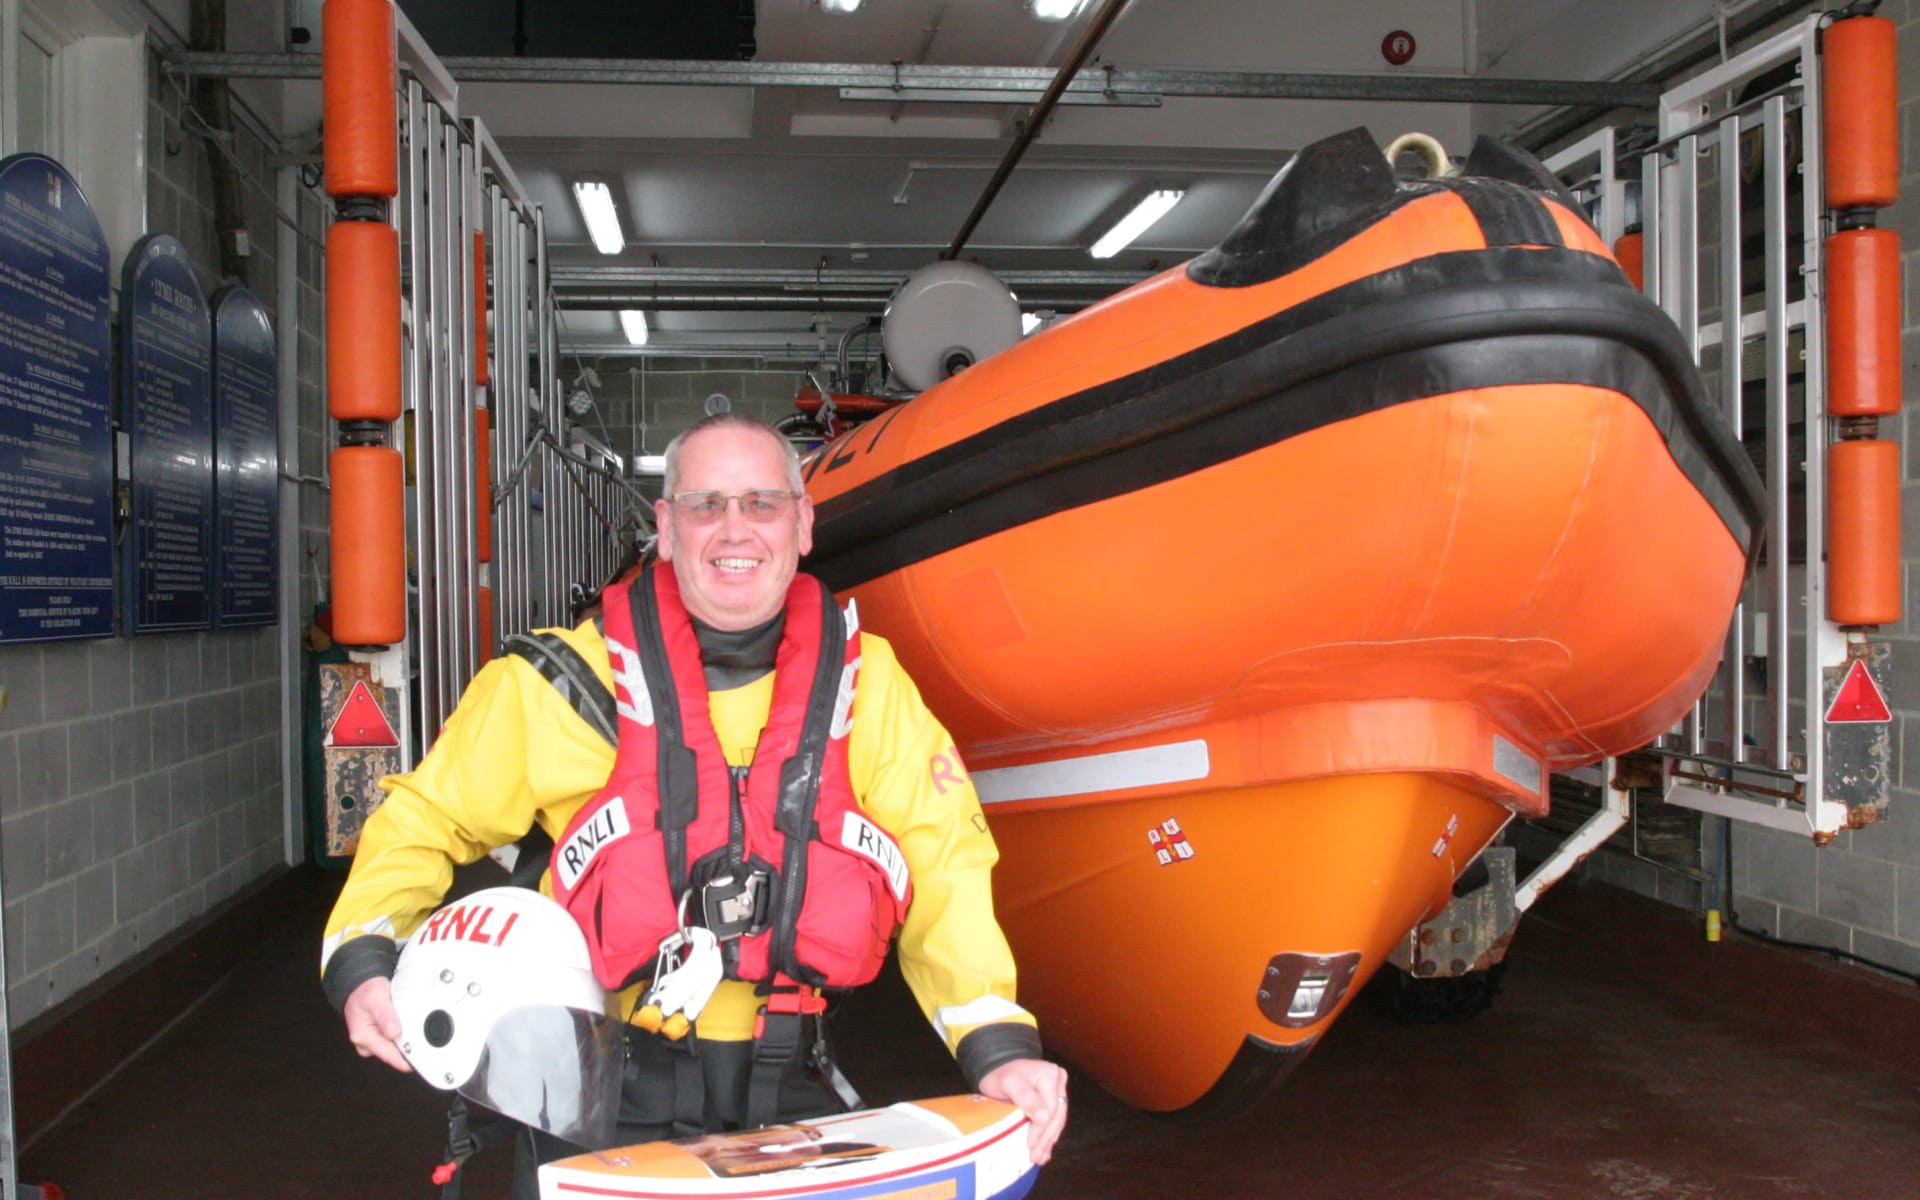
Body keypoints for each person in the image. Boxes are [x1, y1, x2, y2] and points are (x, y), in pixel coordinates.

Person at [320, 414, 1068, 1193]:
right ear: (667, 528)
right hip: (598, 1088)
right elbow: (421, 819)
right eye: (705, 505)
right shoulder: (553, 686)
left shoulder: (869, 687)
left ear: (804, 524)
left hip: (792, 1087)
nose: (733, 529)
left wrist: (998, 1047)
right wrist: (364, 957)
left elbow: (946, 858)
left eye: (762, 503)